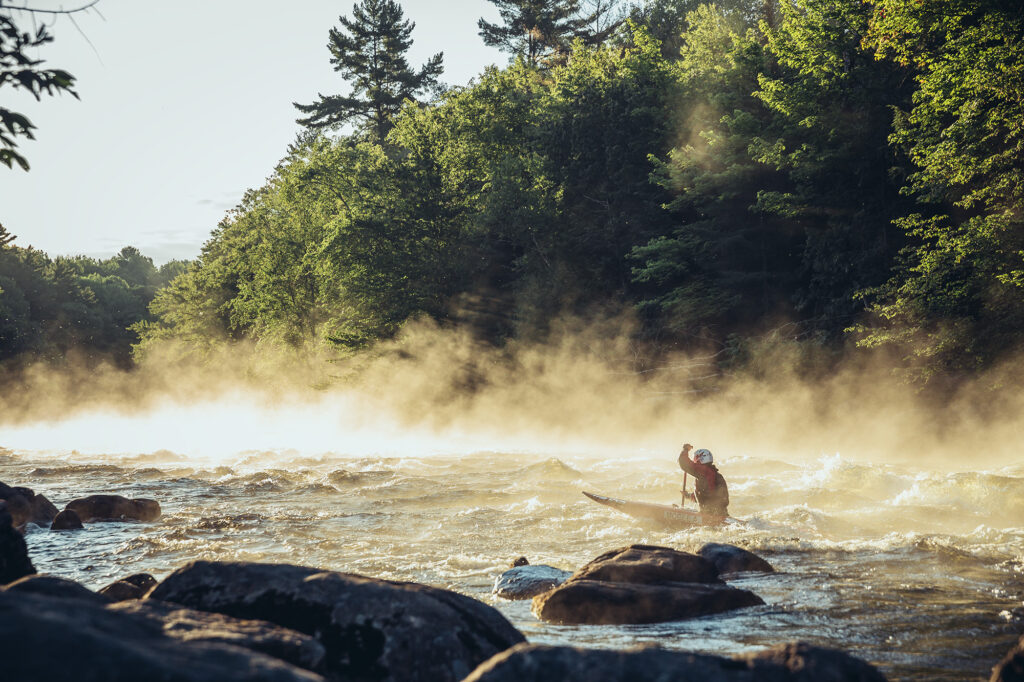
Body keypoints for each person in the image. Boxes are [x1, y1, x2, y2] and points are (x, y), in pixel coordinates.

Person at [677, 443, 729, 517]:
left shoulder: (703, 471)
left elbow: (684, 463)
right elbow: (706, 494)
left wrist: (685, 450)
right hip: (721, 513)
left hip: (709, 514)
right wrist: (688, 496)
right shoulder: (714, 474)